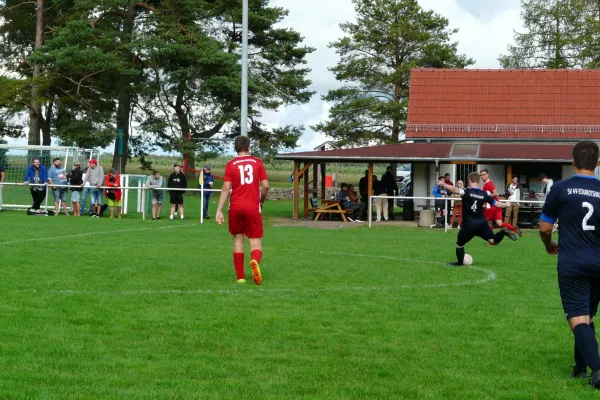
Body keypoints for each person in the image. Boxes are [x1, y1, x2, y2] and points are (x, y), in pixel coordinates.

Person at [540, 141, 600, 386]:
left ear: (572, 161)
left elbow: (544, 228)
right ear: (597, 164)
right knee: (588, 316)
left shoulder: (561, 188)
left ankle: (597, 369)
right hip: (598, 262)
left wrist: (549, 244)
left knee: (577, 317)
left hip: (573, 262)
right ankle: (580, 368)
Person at [215, 136, 269, 285]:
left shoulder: (230, 164)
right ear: (249, 147)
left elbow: (226, 187)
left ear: (235, 148)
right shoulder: (257, 162)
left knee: (238, 239)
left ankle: (240, 278)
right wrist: (261, 201)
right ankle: (254, 261)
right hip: (252, 207)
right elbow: (265, 186)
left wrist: (219, 209)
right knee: (255, 241)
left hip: (235, 207)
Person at [444, 172, 517, 266]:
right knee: (493, 241)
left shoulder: (466, 191)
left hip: (469, 225)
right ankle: (502, 232)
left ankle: (459, 263)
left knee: (459, 244)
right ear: (478, 181)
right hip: (482, 224)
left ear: (469, 180)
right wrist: (506, 204)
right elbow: (497, 204)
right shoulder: (484, 194)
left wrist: (443, 184)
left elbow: (454, 190)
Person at [480, 169, 522, 236]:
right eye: (481, 175)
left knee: (489, 224)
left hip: (491, 206)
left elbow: (495, 193)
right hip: (496, 206)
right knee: (500, 224)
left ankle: (491, 239)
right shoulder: (488, 183)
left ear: (488, 175)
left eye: (483, 175)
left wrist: (485, 197)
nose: (482, 176)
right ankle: (514, 229)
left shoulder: (488, 184)